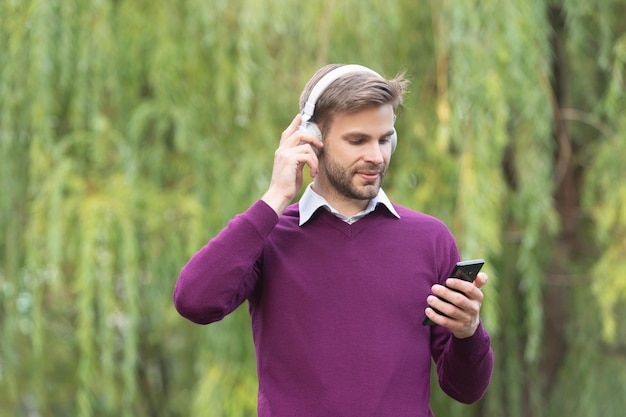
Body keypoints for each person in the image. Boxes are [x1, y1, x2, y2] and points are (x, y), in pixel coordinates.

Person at [173, 64, 494, 416]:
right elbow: (194, 300)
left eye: (384, 139)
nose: (376, 156)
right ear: (311, 140)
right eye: (358, 140)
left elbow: (466, 390)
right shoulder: (268, 237)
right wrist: (276, 197)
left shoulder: (430, 239)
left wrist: (468, 332)